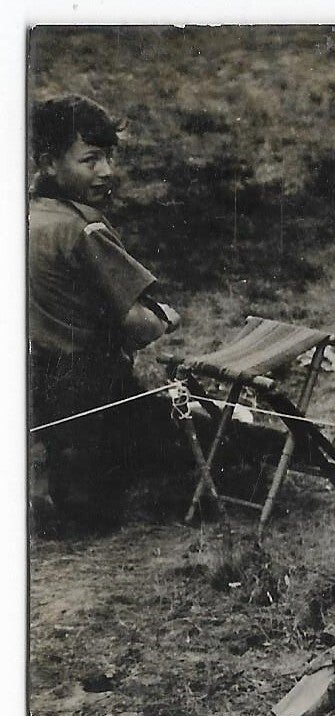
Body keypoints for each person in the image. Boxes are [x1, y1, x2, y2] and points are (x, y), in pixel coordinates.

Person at [29, 94, 182, 532]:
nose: (107, 171)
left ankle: (51, 481)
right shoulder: (84, 229)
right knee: (191, 446)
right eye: (90, 160)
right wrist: (165, 319)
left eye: (109, 157)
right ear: (49, 163)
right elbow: (137, 323)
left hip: (35, 386)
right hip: (92, 389)